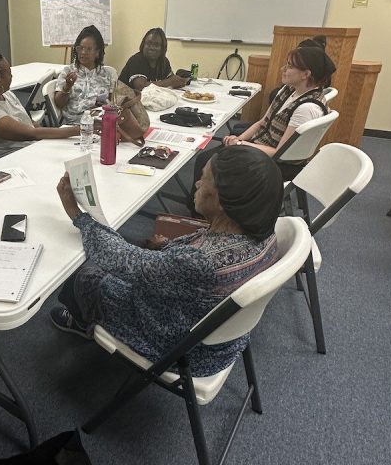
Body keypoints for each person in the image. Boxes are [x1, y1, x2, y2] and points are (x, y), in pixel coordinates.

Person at [50, 146, 283, 377]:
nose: (197, 184)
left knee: (86, 276)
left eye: (203, 179)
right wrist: (167, 248)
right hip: (223, 340)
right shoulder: (265, 234)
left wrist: (78, 215)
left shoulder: (201, 262)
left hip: (185, 350)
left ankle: (82, 323)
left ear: (223, 200)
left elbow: (120, 258)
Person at [195, 40, 336, 183]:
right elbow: (263, 122)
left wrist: (239, 144)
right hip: (261, 146)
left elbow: (279, 153)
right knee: (213, 154)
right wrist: (240, 139)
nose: (283, 69)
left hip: (273, 162)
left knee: (206, 161)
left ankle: (205, 203)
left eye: (289, 66)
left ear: (305, 74)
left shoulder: (306, 108)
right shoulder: (290, 90)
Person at [0, 51, 80, 159]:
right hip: (14, 158)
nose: (11, 76)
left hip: (30, 147)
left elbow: (32, 125)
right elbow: (31, 133)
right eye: (9, 73)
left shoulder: (7, 94)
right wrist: (80, 130)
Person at [54, 25, 115, 124]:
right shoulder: (68, 71)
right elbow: (59, 104)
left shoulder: (107, 74)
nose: (83, 52)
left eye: (88, 49)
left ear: (97, 53)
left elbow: (113, 103)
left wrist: (104, 105)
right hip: (72, 124)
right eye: (80, 48)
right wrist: (67, 87)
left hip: (99, 122)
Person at [118, 27, 189, 91]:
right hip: (126, 102)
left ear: (162, 48)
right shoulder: (136, 60)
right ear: (143, 45)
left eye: (156, 45)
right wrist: (169, 82)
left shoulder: (164, 61)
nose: (151, 47)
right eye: (148, 43)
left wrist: (179, 82)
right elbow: (140, 86)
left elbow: (171, 79)